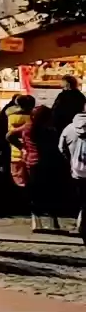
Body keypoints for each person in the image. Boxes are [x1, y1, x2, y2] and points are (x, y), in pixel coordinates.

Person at [8, 104, 63, 232]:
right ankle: (53, 222)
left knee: (35, 192)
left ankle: (36, 222)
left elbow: (9, 135)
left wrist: (22, 147)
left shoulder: (28, 128)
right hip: (48, 163)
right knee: (51, 192)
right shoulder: (51, 130)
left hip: (31, 162)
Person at [57, 104, 86, 245]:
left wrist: (70, 160)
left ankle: (80, 223)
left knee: (80, 199)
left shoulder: (69, 128)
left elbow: (61, 148)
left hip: (77, 171)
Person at [6, 94, 35, 191]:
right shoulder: (32, 118)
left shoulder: (10, 115)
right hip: (30, 154)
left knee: (17, 180)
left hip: (14, 152)